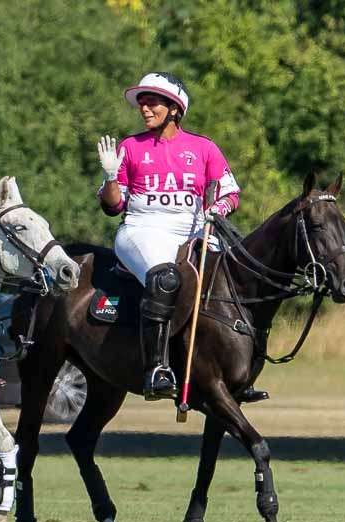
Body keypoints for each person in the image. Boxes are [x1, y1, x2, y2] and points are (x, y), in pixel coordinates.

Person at [96, 72, 267, 403]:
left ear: (174, 108)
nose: (144, 108)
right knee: (165, 278)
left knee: (233, 279)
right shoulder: (130, 148)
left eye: (152, 103)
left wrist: (215, 209)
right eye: (141, 103)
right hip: (142, 229)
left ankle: (236, 369)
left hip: (193, 229)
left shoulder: (204, 148)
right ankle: (156, 369)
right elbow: (114, 206)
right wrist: (108, 177)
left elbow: (231, 193)